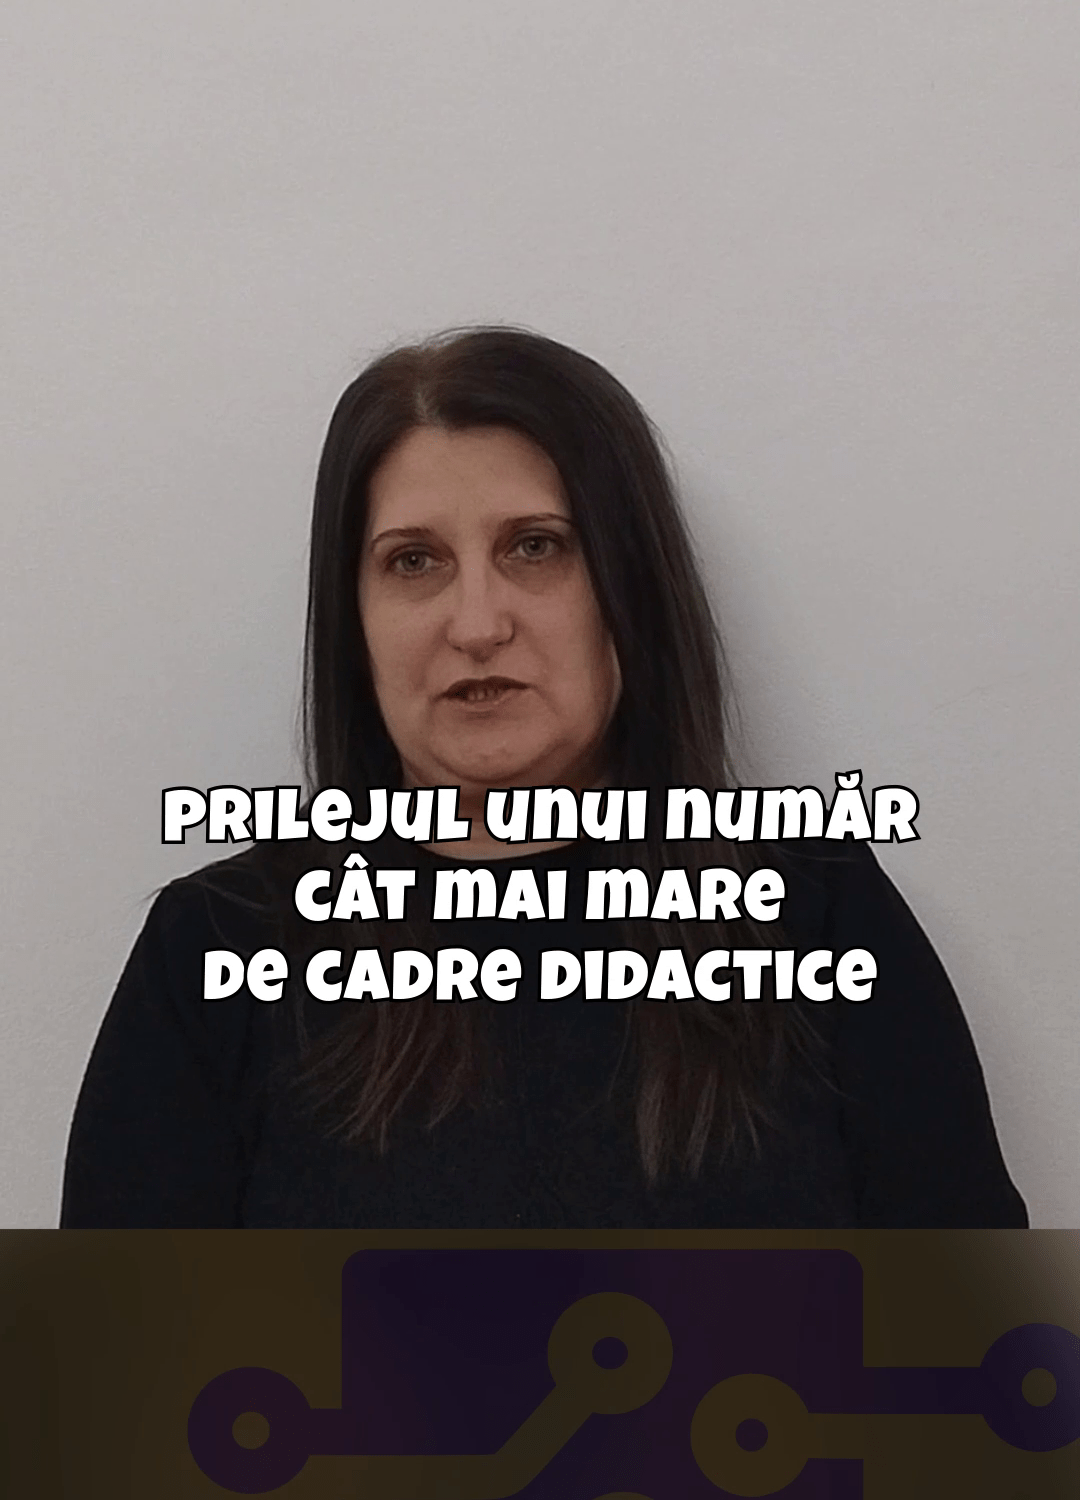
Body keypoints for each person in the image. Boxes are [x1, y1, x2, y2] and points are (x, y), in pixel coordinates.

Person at [60, 326, 1027, 1229]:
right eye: (414, 561)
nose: (478, 624)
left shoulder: (821, 914)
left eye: (536, 547)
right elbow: (120, 1350)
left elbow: (970, 1336)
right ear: (355, 620)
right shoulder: (213, 950)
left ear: (628, 588)